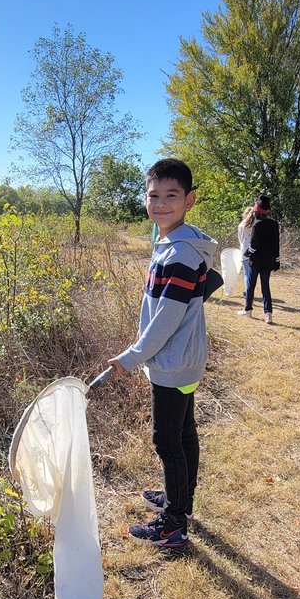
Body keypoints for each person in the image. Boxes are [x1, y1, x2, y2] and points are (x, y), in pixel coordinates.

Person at [108, 158, 219, 548]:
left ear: (189, 200)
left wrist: (131, 357)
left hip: (172, 363)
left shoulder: (180, 254)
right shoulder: (178, 242)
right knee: (184, 432)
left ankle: (173, 523)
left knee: (166, 441)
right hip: (184, 360)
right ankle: (181, 499)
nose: (160, 203)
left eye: (171, 196)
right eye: (154, 195)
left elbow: (166, 320)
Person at [237, 194, 280, 324]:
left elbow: (254, 246)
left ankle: (248, 310)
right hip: (268, 260)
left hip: (255, 260)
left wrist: (247, 252)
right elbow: (276, 244)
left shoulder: (257, 226)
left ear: (257, 211)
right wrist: (277, 260)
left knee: (250, 285)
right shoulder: (274, 224)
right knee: (265, 287)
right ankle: (268, 314)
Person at [237, 205, 256, 297]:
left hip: (245, 250)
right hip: (255, 251)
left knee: (246, 273)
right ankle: (250, 291)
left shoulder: (241, 225)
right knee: (252, 273)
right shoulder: (256, 224)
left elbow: (240, 239)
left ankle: (248, 291)